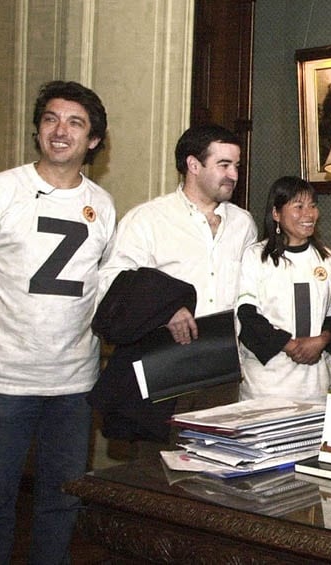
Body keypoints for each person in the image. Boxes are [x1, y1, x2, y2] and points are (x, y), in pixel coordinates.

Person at [0, 80, 115, 563]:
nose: (61, 131)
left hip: (74, 385)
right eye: (51, 119)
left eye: (75, 123)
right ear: (38, 130)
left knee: (62, 501)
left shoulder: (104, 205)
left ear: (93, 140)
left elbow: (105, 290)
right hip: (1, 381)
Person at [89, 124, 257, 442]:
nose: (233, 174)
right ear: (193, 165)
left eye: (236, 165)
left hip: (221, 373)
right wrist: (165, 309)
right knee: (157, 475)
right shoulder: (148, 220)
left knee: (216, 474)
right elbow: (110, 286)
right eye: (224, 165)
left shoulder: (243, 224)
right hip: (164, 369)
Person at [236, 176, 331, 403]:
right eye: (298, 207)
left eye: (312, 206)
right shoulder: (255, 257)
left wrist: (322, 340)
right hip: (266, 385)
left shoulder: (327, 259)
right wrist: (290, 345)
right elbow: (247, 315)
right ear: (276, 214)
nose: (308, 214)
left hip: (314, 385)